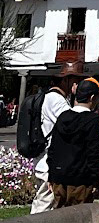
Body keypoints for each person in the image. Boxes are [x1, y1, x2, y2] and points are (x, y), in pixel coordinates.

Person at [29, 64, 82, 214]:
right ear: (67, 81)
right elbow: (72, 126)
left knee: (45, 202)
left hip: (44, 160)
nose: (77, 84)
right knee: (45, 204)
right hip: (48, 162)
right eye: (76, 80)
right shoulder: (56, 100)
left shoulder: (53, 97)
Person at [48, 77, 99, 207]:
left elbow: (53, 148)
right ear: (92, 97)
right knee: (80, 221)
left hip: (59, 178)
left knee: (59, 218)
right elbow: (93, 152)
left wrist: (51, 176)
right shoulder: (93, 120)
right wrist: (96, 180)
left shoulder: (63, 117)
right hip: (81, 180)